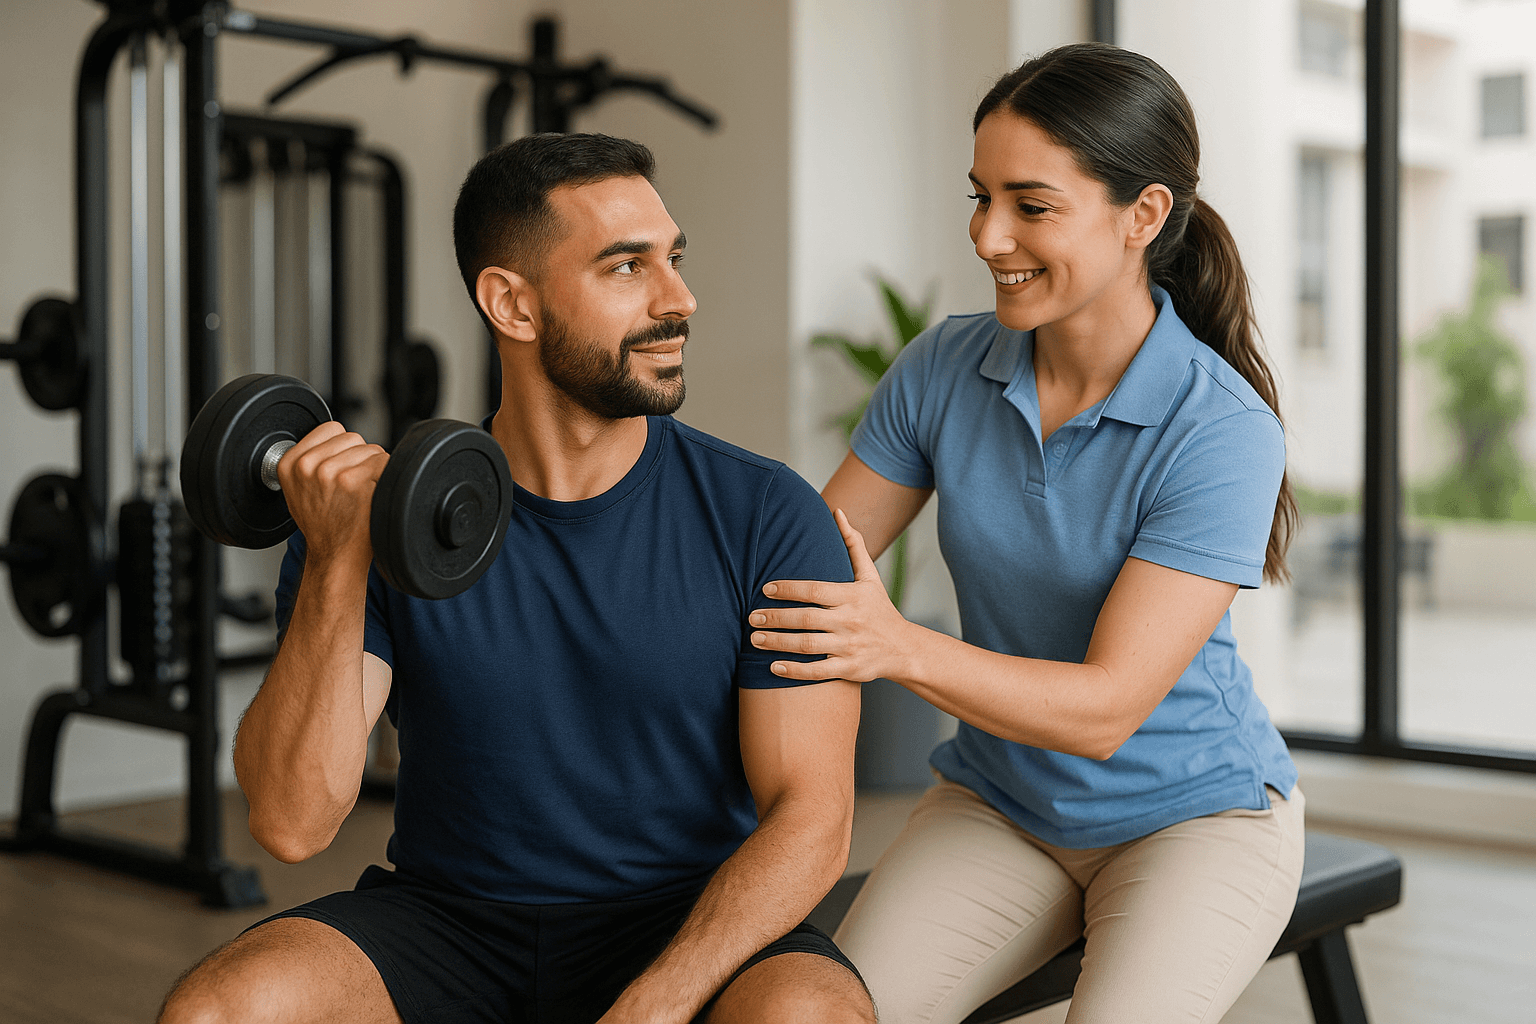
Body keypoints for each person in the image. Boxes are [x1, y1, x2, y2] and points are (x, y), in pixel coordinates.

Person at [158, 133, 875, 1024]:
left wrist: (656, 1003)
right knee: (222, 1012)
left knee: (809, 1015)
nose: (680, 299)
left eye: (674, 259)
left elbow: (813, 816)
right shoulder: (378, 525)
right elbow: (292, 824)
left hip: (687, 922)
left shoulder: (765, 513)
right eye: (626, 267)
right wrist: (340, 556)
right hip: (449, 922)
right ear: (513, 305)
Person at [748, 43, 1304, 1024]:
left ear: (1144, 216)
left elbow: (1105, 709)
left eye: (1030, 205)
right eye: (979, 196)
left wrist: (894, 645)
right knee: (824, 1012)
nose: (987, 234)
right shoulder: (944, 368)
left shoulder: (1220, 429)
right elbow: (804, 568)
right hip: (1001, 801)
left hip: (1197, 817)